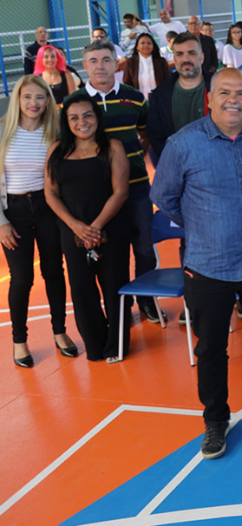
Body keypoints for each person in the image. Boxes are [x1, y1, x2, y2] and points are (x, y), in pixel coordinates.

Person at [152, 69, 242, 460]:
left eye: (241, 93)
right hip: (208, 266)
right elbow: (164, 196)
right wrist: (204, 225)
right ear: (209, 98)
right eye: (225, 92)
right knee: (211, 348)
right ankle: (215, 420)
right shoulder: (183, 144)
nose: (233, 100)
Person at [68, 41, 160, 325]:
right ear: (85, 66)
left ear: (115, 63)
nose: (100, 66)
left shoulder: (135, 98)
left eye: (106, 60)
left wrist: (133, 159)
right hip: (99, 196)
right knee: (111, 255)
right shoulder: (76, 103)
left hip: (137, 188)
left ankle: (146, 300)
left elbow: (146, 133)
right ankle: (121, 307)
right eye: (93, 61)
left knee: (144, 248)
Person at [44, 93, 131, 362]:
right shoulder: (57, 150)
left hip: (110, 226)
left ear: (97, 117)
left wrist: (95, 226)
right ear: (66, 122)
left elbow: (120, 192)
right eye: (74, 117)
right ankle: (95, 346)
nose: (82, 122)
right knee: (82, 290)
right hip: (72, 230)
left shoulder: (113, 146)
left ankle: (116, 346)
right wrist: (76, 227)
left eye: (87, 115)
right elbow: (51, 193)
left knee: (114, 286)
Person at [0, 76, 71, 367]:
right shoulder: (3, 130)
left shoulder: (54, 131)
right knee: (21, 279)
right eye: (27, 97)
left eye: (40, 98)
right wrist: (1, 222)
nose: (34, 103)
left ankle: (60, 332)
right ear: (18, 99)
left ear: (48, 102)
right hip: (13, 211)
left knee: (54, 271)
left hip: (46, 206)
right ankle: (20, 341)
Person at [147, 32, 211, 166]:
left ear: (202, 57)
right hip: (178, 168)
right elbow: (156, 137)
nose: (185, 59)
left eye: (192, 53)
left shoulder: (219, 89)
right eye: (179, 54)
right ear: (174, 59)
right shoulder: (160, 96)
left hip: (215, 164)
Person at [122, 32, 171, 99]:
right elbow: (127, 82)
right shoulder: (131, 62)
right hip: (138, 101)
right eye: (142, 43)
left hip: (159, 100)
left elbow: (167, 81)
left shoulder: (161, 61)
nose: (146, 45)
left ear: (153, 46)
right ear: (137, 47)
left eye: (149, 43)